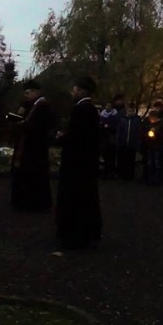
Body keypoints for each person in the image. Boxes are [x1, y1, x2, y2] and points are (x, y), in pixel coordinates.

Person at [53, 76, 102, 251]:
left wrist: (62, 138)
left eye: (74, 89)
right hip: (86, 164)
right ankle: (85, 232)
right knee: (86, 197)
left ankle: (74, 234)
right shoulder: (90, 110)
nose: (72, 92)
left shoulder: (81, 110)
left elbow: (76, 138)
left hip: (77, 164)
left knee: (75, 198)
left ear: (82, 91)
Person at [10, 80, 55, 212]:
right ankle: (25, 201)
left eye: (28, 93)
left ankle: (34, 203)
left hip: (35, 148)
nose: (26, 95)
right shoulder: (31, 106)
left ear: (36, 92)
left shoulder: (43, 106)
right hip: (28, 146)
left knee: (35, 176)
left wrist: (24, 124)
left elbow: (40, 127)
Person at [115, 102, 141, 182]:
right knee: (123, 160)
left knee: (131, 160)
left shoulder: (136, 121)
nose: (131, 113)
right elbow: (119, 132)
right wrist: (118, 142)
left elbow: (138, 133)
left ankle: (130, 176)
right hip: (123, 143)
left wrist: (137, 143)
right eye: (129, 111)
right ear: (127, 111)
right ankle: (122, 175)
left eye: (132, 111)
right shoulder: (123, 120)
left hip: (132, 144)